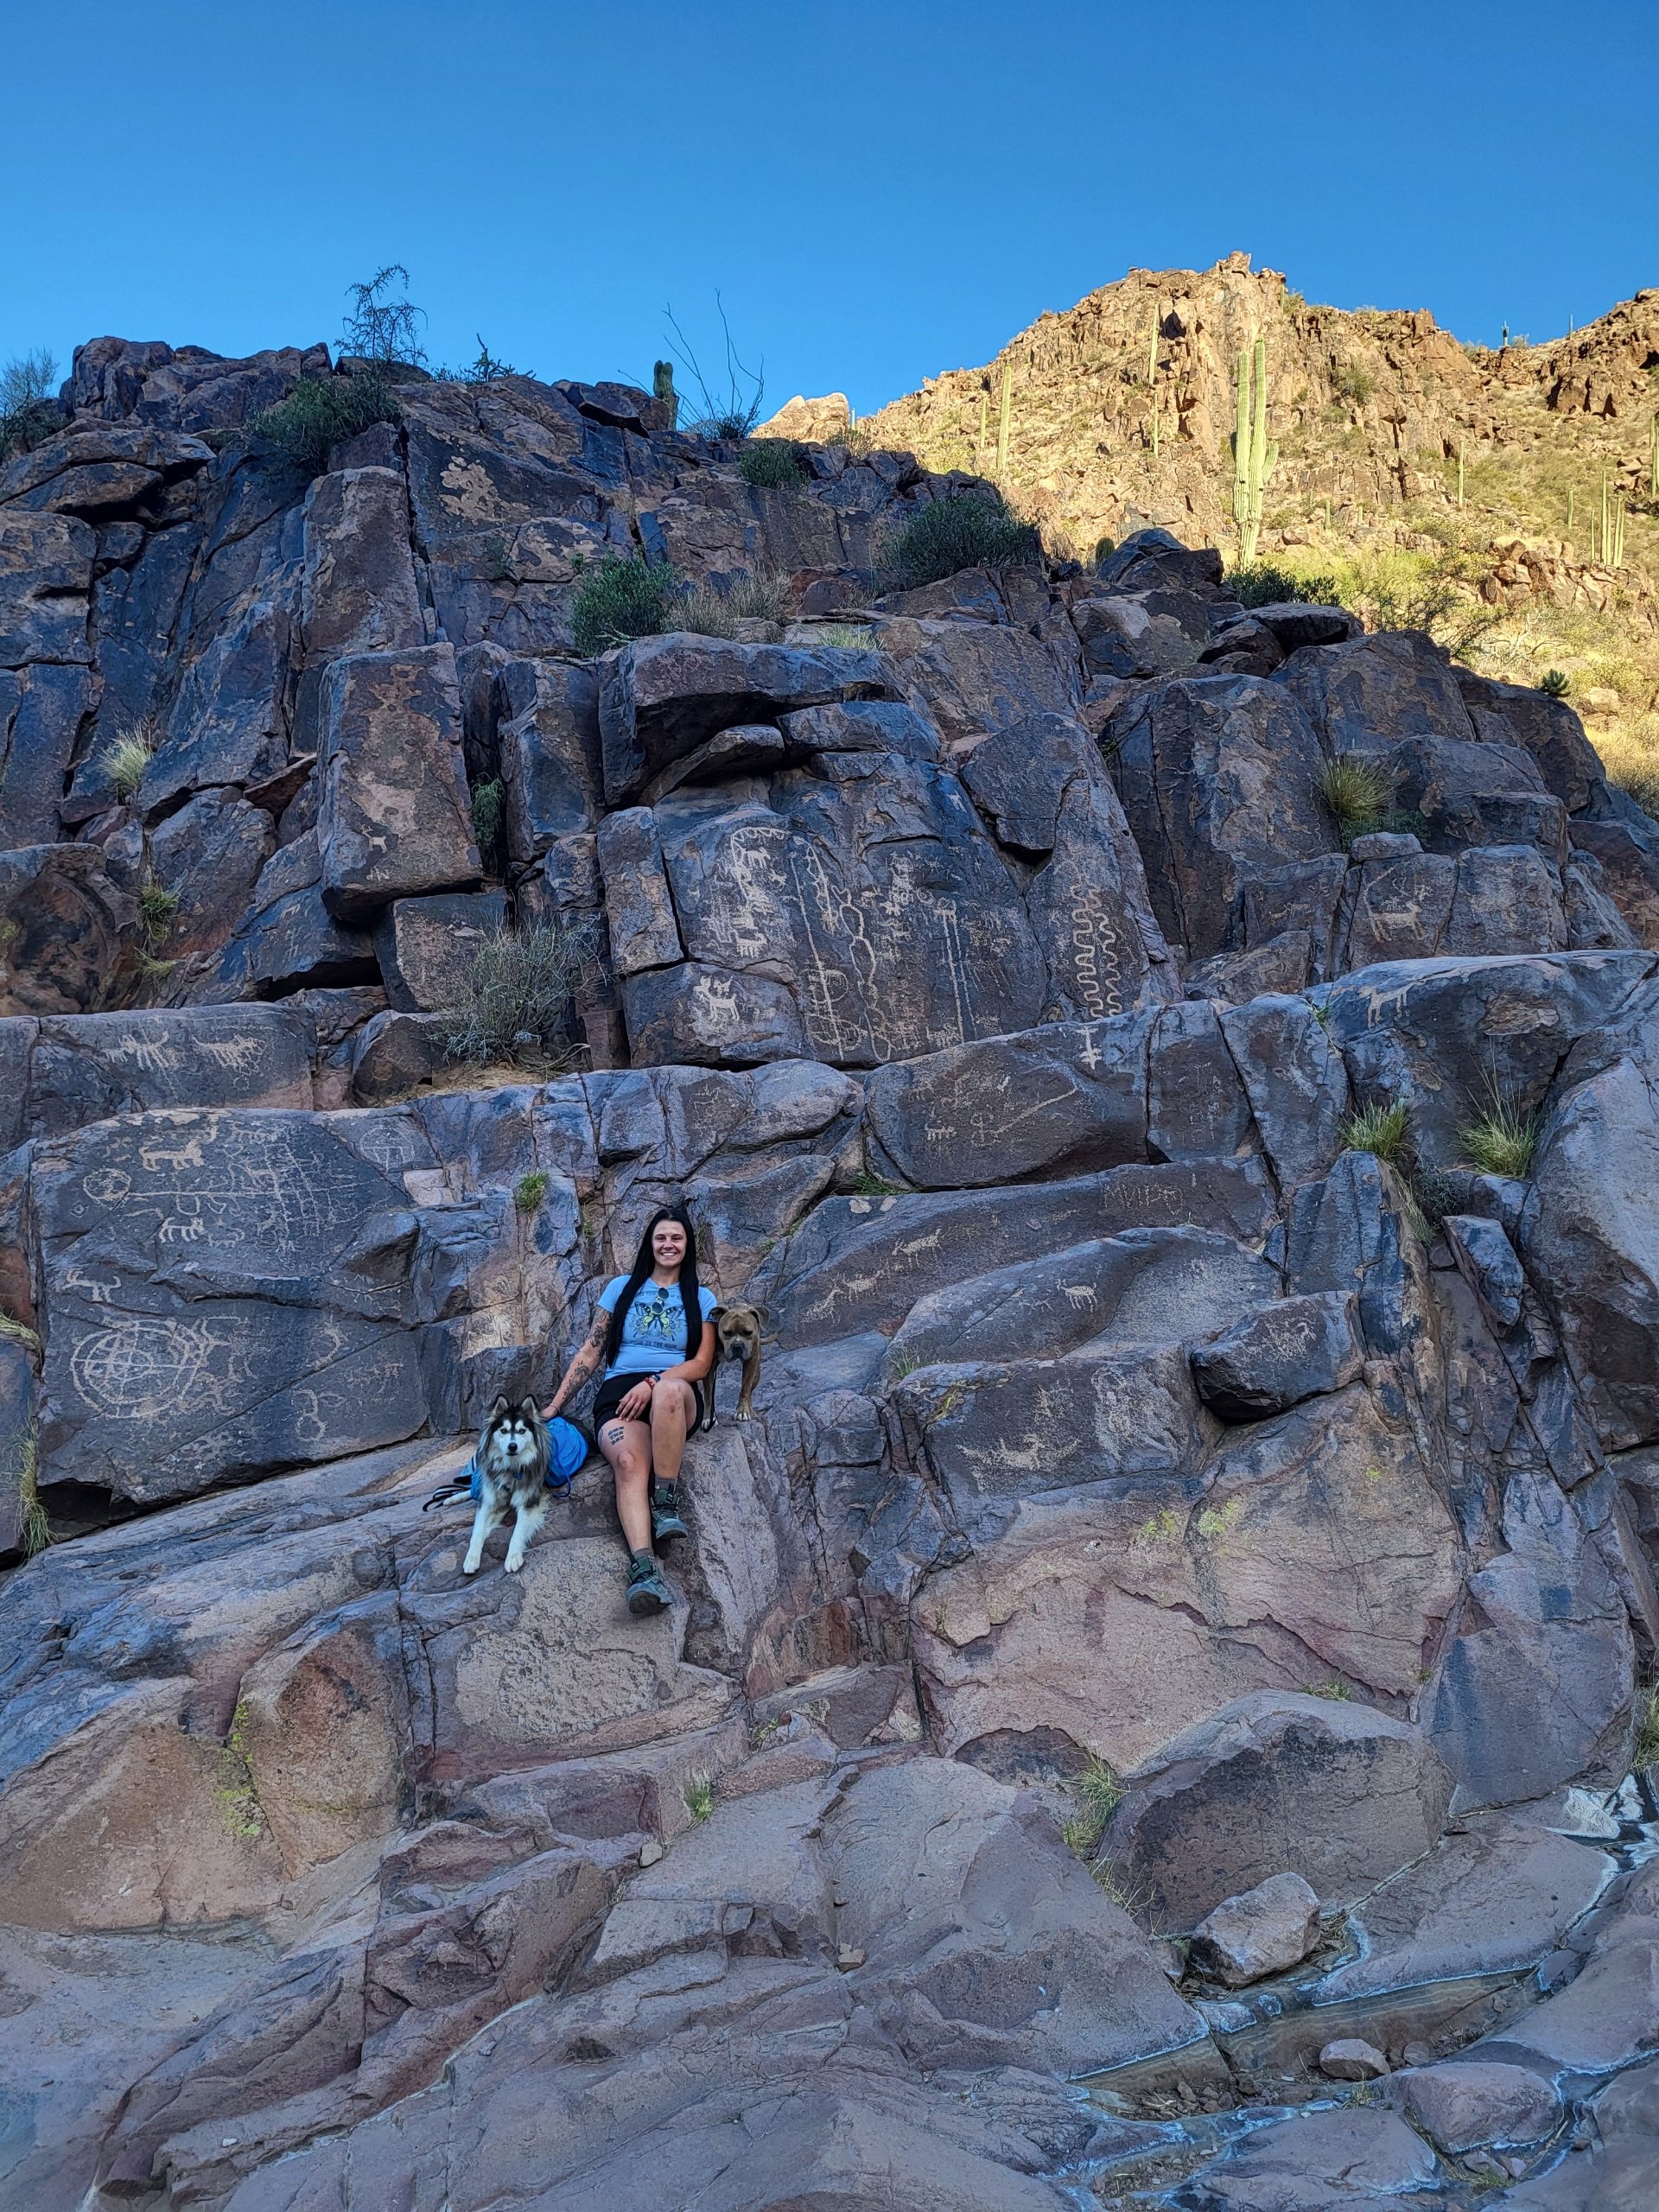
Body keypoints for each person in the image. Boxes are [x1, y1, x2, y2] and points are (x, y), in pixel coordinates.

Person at [543, 1203, 716, 1616]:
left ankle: (666, 1500)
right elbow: (591, 1350)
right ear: (650, 1243)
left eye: (676, 1237)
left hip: (674, 1393)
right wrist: (553, 1407)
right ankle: (643, 1569)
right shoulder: (620, 1288)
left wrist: (654, 1382)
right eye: (661, 1237)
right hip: (619, 1393)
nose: (668, 1244)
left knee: (671, 1391)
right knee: (625, 1461)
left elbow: (703, 1363)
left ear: (687, 1245)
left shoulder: (702, 1296)